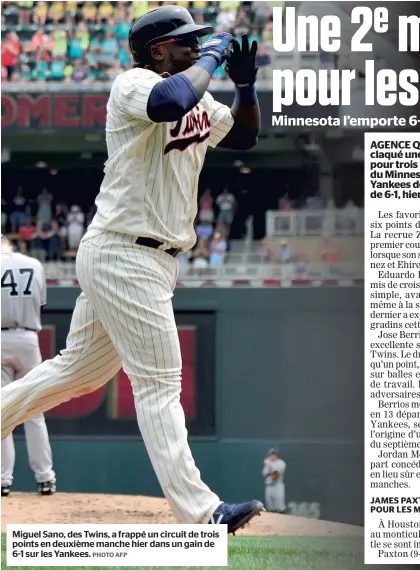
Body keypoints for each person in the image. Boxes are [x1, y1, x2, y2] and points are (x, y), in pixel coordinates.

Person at [1, 6, 263, 532]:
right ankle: (202, 512)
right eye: (186, 41)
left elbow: (242, 137)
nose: (197, 46)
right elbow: (170, 103)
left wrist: (247, 86)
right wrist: (213, 56)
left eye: (200, 41)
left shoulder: (198, 94)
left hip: (144, 256)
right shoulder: (134, 83)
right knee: (161, 381)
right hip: (126, 251)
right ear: (158, 49)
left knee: (78, 372)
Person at [1, 236, 56, 497]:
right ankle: (45, 479)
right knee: (34, 411)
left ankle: (3, 480)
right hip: (27, 337)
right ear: (10, 245)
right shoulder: (34, 264)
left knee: (2, 412)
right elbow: (41, 304)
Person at [262, 448, 286, 513]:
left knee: (279, 506)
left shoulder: (281, 463)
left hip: (277, 486)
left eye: (273, 454)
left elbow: (275, 475)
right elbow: (264, 474)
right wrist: (269, 467)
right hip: (269, 486)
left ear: (277, 455)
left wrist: (269, 465)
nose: (272, 456)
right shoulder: (268, 463)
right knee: (270, 506)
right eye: (270, 454)